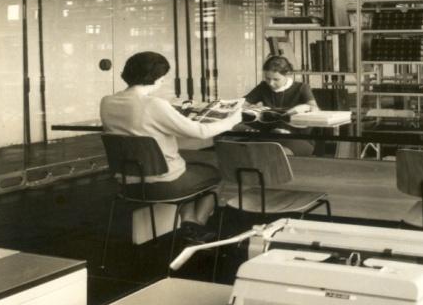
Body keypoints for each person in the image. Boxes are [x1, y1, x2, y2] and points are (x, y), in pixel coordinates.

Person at [100, 51, 241, 240]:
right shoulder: (154, 104)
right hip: (165, 183)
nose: (164, 81)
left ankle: (189, 222)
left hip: (127, 183)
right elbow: (200, 133)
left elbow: (139, 126)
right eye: (163, 77)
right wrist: (233, 119)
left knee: (187, 167)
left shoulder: (106, 102)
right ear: (156, 78)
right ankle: (195, 225)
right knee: (217, 171)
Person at [242, 55, 317, 156]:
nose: (271, 83)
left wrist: (304, 108)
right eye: (268, 78)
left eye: (276, 79)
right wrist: (252, 109)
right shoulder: (263, 87)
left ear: (288, 75)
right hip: (269, 136)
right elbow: (241, 105)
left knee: (276, 154)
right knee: (245, 151)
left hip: (297, 138)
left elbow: (315, 109)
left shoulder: (302, 87)